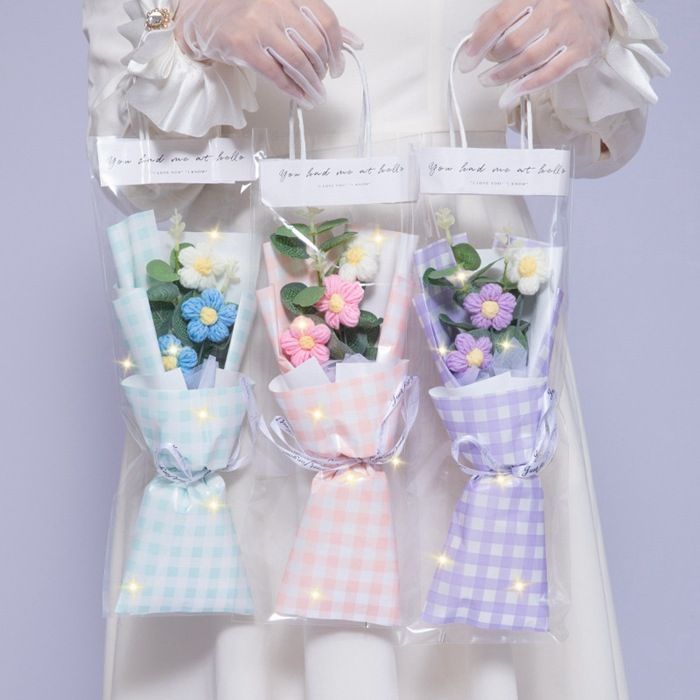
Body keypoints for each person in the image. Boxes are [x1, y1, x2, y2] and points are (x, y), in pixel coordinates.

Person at [84, 1, 667, 698]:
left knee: (482, 590)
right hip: (264, 295)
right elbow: (128, 163)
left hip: (461, 298)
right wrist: (189, 29)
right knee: (258, 596)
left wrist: (594, 23)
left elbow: (603, 136)